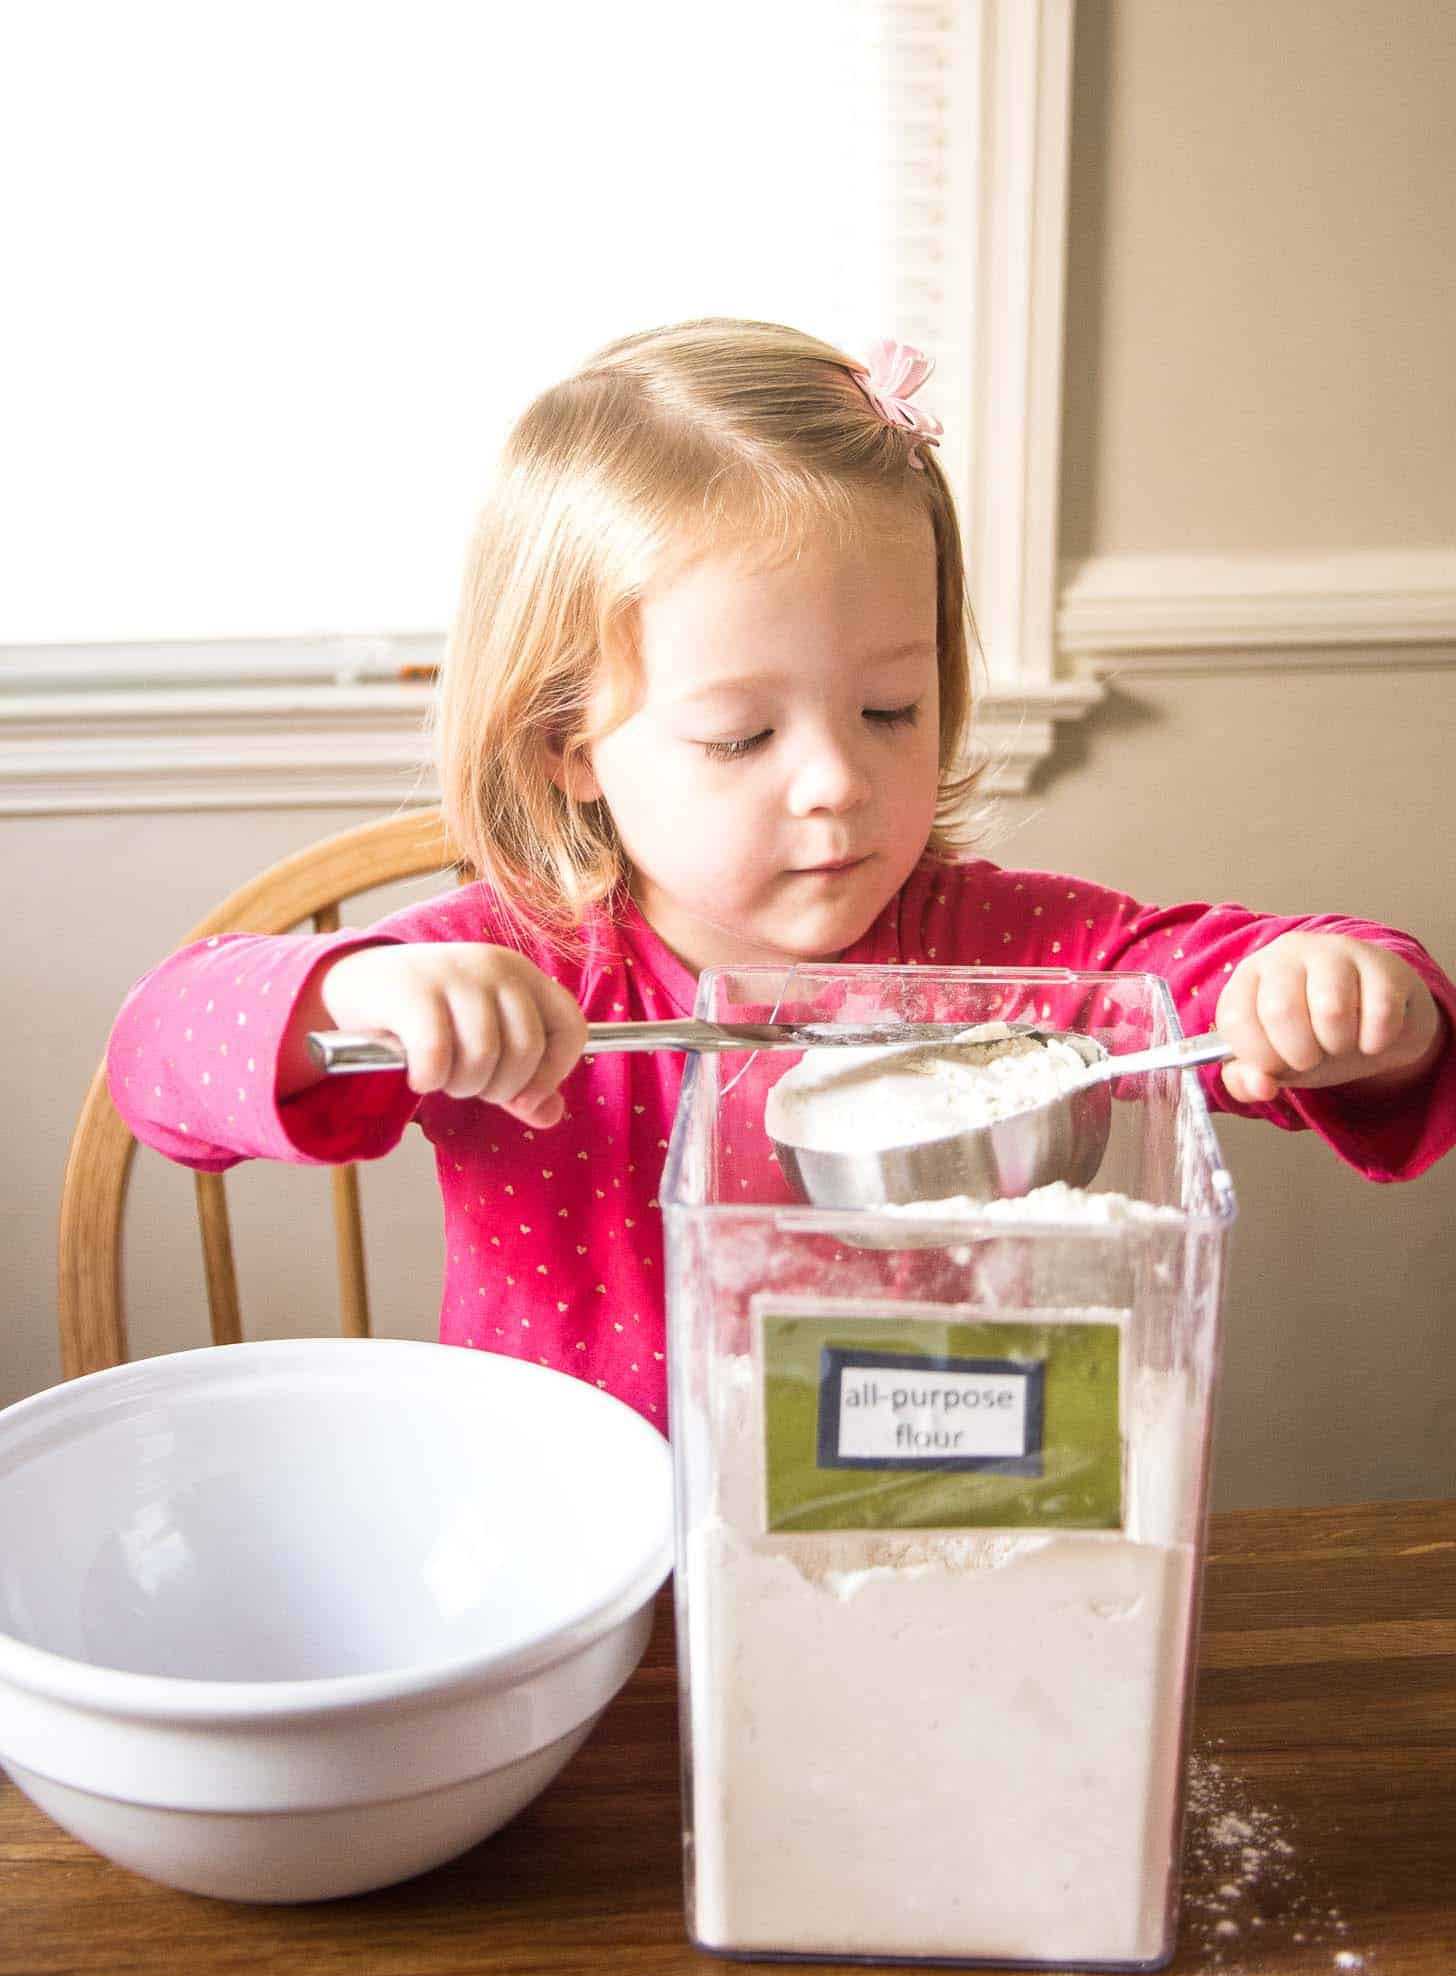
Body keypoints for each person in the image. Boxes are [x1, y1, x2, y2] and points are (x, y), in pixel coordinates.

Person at [109, 319, 1456, 1434]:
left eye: (890, 712)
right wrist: (359, 993)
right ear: (567, 743)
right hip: (595, 1594)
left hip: (929, 1534)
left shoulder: (1009, 953)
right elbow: (157, 1056)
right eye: (741, 734)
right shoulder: (522, 972)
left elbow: (1236, 989)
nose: (837, 783)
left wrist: (1341, 995)